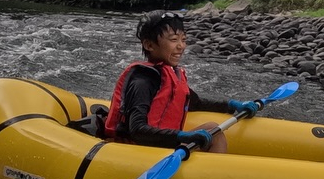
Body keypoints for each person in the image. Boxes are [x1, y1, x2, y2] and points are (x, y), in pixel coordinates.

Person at [102, 10, 261, 154]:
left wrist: (232, 105)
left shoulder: (170, 74)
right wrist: (182, 136)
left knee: (214, 130)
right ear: (149, 45)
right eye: (173, 40)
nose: (181, 46)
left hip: (161, 143)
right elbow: (137, 130)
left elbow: (196, 103)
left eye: (183, 39)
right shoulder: (143, 81)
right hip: (135, 149)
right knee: (215, 134)